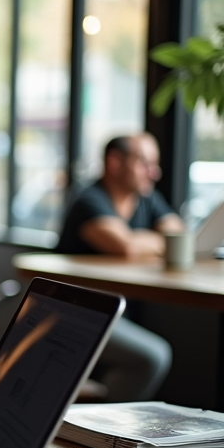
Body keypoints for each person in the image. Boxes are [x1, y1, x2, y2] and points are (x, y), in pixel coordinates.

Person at [55, 132, 181, 400]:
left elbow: (178, 236)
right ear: (114, 162)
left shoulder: (147, 198)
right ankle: (102, 430)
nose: (154, 172)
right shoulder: (89, 200)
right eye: (145, 162)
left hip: (120, 313)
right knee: (154, 356)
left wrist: (143, 241)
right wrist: (152, 242)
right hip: (75, 314)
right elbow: (125, 246)